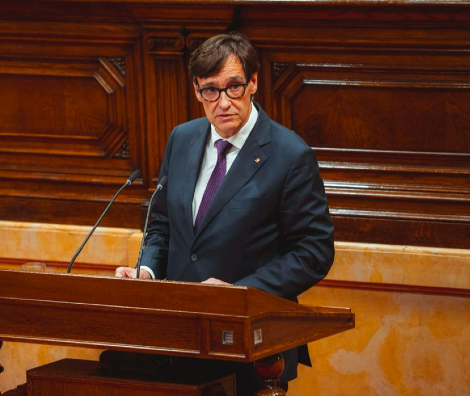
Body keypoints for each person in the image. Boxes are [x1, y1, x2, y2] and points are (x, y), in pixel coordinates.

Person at [116, 32, 335, 394]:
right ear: (196, 91)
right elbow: (162, 224)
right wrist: (148, 269)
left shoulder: (290, 155)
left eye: (233, 87)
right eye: (210, 90)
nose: (223, 102)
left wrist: (240, 292)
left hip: (252, 346)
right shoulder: (182, 139)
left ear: (253, 83)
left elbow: (314, 252)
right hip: (180, 339)